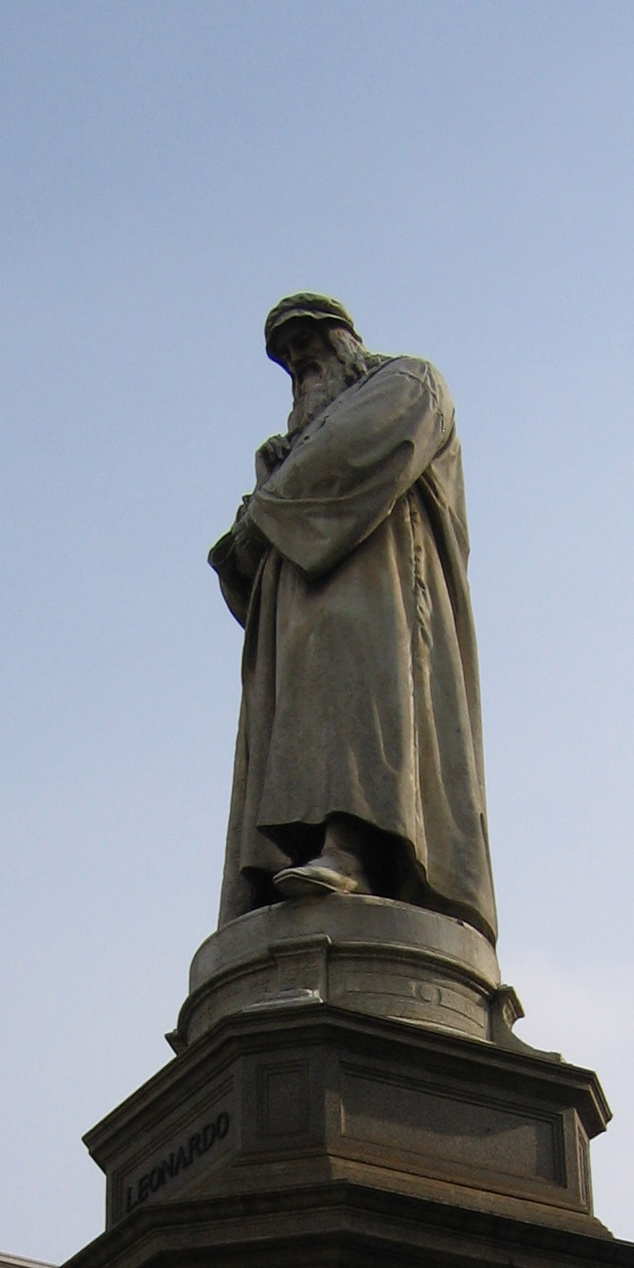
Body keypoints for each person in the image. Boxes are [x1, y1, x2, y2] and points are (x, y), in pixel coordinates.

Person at [209, 295, 497, 942]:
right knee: (299, 724)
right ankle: (289, 860)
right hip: (296, 618)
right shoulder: (284, 454)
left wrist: (266, 513)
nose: (301, 363)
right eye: (288, 359)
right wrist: (265, 513)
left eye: (311, 345)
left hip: (381, 594)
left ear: (347, 341)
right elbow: (243, 556)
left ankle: (355, 851)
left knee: (366, 705)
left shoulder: (408, 382)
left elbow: (353, 455)